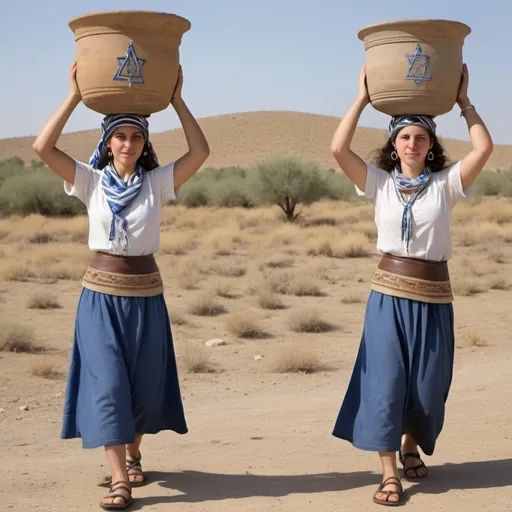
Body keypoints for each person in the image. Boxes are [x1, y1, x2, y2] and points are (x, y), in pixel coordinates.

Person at [33, 61, 210, 510]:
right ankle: (119, 480)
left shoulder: (156, 183)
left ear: (145, 143)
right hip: (99, 298)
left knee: (143, 386)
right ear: (107, 143)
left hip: (147, 296)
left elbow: (200, 152)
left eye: (136, 136)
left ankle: (133, 451)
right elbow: (41, 146)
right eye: (120, 136)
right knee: (108, 384)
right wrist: (74, 95)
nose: (128, 143)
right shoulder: (89, 182)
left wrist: (176, 100)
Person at [329, 64, 493, 506]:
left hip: (435, 299)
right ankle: (388, 474)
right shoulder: (378, 184)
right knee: (384, 382)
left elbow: (484, 147)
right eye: (404, 137)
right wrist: (362, 97)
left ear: (431, 146)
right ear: (394, 144)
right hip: (387, 298)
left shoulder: (446, 186)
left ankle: (409, 445)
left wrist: (464, 102)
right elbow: (338, 148)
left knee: (425, 386)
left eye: (421, 138)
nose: (412, 144)